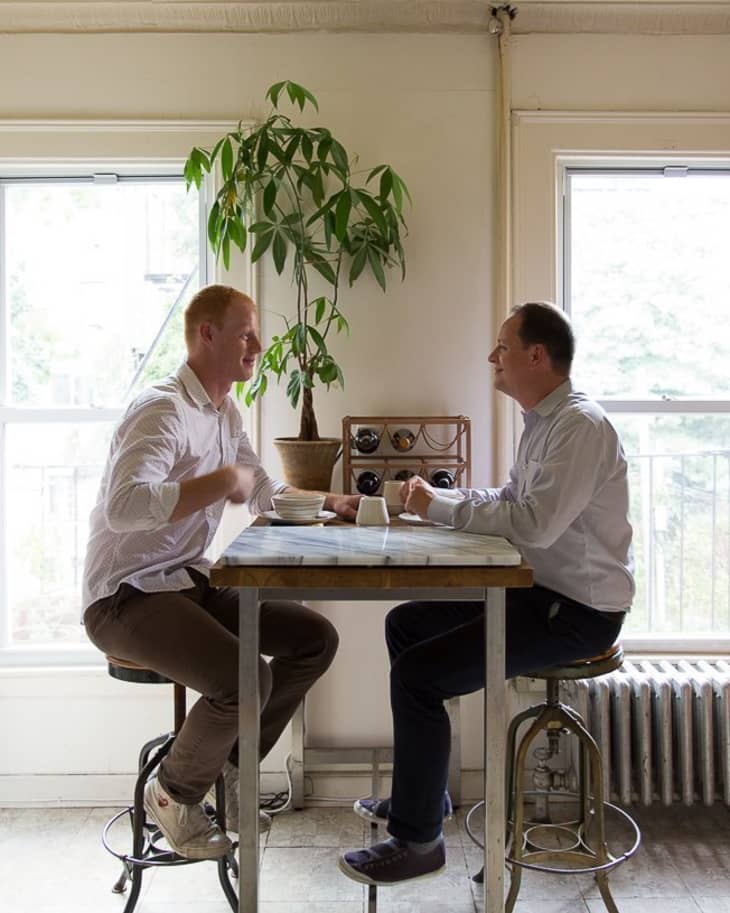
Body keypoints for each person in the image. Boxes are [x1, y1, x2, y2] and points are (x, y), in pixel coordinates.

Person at [338, 301, 634, 886]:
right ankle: (425, 801)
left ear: (536, 355)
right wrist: (438, 502)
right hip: (540, 592)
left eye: (502, 347)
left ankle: (419, 842)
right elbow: (512, 499)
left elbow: (533, 524)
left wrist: (438, 506)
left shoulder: (581, 426)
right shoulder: (546, 422)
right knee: (406, 624)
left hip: (578, 613)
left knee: (419, 675)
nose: (492, 358)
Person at [82, 283, 359, 861]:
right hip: (124, 595)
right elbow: (124, 506)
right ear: (207, 334)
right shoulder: (161, 409)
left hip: (186, 580)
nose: (258, 343)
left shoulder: (224, 410)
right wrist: (216, 483)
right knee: (244, 681)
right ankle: (172, 795)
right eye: (245, 331)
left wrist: (331, 502)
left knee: (314, 639)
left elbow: (258, 487)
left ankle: (233, 769)